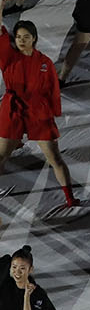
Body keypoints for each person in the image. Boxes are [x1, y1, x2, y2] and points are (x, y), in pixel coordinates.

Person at [0, 18, 76, 203]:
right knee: (1, 156)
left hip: (38, 113)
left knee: (55, 158)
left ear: (34, 38)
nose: (21, 40)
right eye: (18, 37)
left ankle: (70, 198)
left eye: (26, 37)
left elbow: (53, 90)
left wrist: (53, 114)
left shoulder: (45, 62)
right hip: (13, 111)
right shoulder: (9, 57)